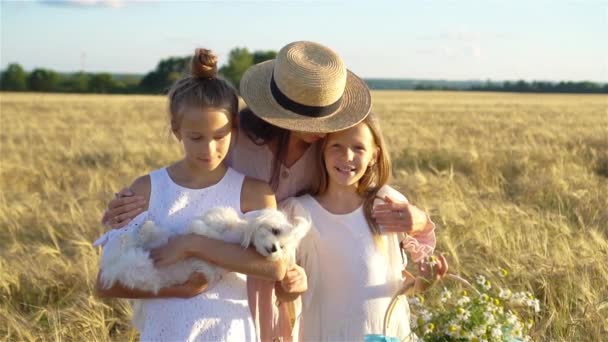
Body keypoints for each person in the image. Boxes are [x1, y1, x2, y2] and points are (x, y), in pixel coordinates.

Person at [100, 41, 438, 341]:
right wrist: (136, 205)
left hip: (294, 290)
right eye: (306, 122)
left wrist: (418, 220)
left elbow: (365, 195)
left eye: (324, 122)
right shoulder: (237, 139)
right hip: (230, 288)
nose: (318, 133)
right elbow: (197, 177)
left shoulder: (328, 152)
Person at [94, 48, 289, 342]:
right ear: (176, 130)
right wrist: (180, 289)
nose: (208, 149)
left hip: (230, 333)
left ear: (235, 127)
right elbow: (104, 283)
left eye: (219, 136)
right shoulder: (147, 190)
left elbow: (275, 267)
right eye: (196, 138)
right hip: (166, 333)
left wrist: (192, 246)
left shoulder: (254, 192)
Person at [281, 113, 448, 341]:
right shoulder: (297, 212)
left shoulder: (385, 205)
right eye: (336, 146)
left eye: (358, 148)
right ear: (322, 151)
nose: (346, 156)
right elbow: (285, 286)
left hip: (380, 333)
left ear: (374, 156)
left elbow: (396, 285)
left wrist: (425, 282)